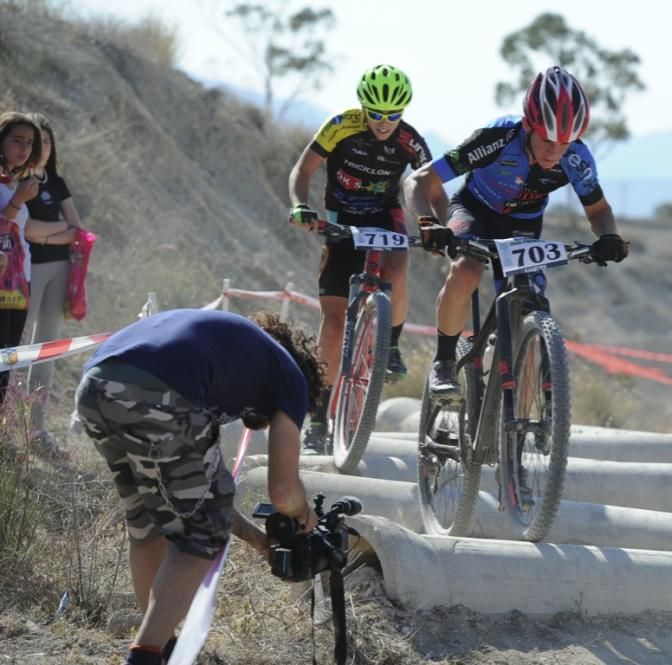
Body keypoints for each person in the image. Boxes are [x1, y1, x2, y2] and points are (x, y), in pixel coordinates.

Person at [74, 309, 325, 665]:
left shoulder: (227, 355)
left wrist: (258, 541)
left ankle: (161, 648)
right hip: (157, 390)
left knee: (147, 522)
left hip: (95, 386)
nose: (260, 424)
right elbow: (283, 491)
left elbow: (204, 499)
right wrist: (303, 514)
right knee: (199, 537)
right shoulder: (290, 376)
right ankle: (144, 658)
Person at [402, 66, 629, 397]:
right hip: (474, 211)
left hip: (523, 225)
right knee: (466, 271)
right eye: (546, 140)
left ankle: (525, 411)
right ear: (528, 126)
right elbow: (420, 180)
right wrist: (427, 221)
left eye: (564, 143)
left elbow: (599, 211)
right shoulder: (498, 138)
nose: (554, 151)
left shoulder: (577, 157)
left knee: (530, 304)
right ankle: (444, 362)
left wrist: (609, 236)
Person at [287, 64, 433, 451]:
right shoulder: (340, 125)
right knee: (333, 324)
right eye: (377, 114)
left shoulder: (410, 140)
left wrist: (440, 224)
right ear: (364, 106)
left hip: (385, 216)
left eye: (393, 115)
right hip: (342, 218)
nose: (385, 123)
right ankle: (318, 418)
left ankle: (392, 344)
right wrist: (300, 205)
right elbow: (303, 169)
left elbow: (430, 184)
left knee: (400, 262)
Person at [23, 113, 83, 451]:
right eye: (35, 141)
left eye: (47, 142)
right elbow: (26, 230)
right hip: (26, 271)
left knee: (47, 348)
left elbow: (78, 230)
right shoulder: (20, 180)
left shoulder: (56, 181)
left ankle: (36, 428)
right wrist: (55, 233)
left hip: (58, 271)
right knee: (15, 347)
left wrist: (44, 235)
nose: (41, 148)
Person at [0, 111, 41, 408]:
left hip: (18, 280)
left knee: (7, 358)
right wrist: (17, 202)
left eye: (28, 142)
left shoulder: (16, 182)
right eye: (16, 140)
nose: (23, 148)